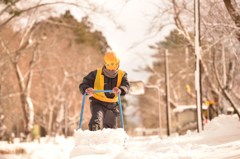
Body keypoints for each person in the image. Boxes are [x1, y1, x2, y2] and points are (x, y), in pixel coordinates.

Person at [79, 51, 130, 131]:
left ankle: (109, 140)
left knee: (110, 126)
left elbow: (126, 85)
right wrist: (87, 89)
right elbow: (84, 83)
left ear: (118, 64)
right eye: (110, 70)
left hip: (112, 104)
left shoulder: (122, 74)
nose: (112, 71)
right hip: (98, 101)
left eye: (114, 69)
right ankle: (94, 133)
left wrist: (120, 89)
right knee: (96, 118)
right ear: (105, 65)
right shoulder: (96, 74)